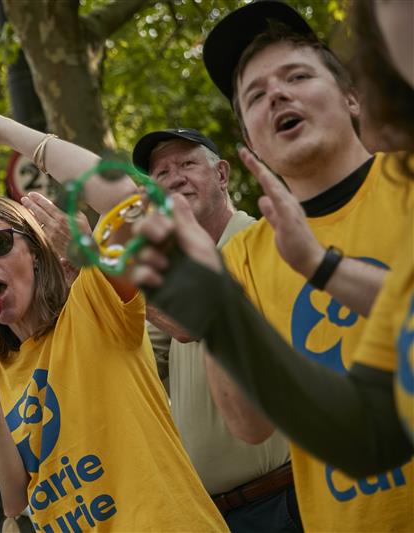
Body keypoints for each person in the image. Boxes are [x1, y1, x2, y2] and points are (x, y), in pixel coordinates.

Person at [130, 1, 413, 531]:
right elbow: (248, 423)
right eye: (254, 96)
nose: (276, 94)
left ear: (352, 97)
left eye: (298, 76)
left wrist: (319, 267)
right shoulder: (241, 257)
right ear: (250, 142)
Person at [0, 142, 226, 533]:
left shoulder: (92, 304)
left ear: (37, 253)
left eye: (0, 244)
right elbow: (12, 499)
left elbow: (124, 201)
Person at [133, 128, 297, 531]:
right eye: (161, 173)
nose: (173, 179)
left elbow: (195, 322)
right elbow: (136, 368)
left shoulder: (260, 240)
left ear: (222, 175)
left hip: (281, 501)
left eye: (187, 164)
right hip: (208, 513)